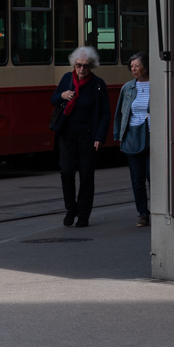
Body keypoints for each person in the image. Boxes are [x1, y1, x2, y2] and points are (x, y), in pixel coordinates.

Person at [51, 46, 109, 228]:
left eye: (85, 65)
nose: (82, 69)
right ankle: (71, 208)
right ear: (73, 65)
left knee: (86, 175)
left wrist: (100, 137)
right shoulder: (66, 79)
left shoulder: (98, 84)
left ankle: (83, 215)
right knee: (66, 171)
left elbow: (105, 113)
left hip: (88, 136)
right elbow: (53, 100)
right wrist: (62, 95)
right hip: (67, 135)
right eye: (78, 65)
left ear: (92, 66)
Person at [112, 52, 151, 227]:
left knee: (152, 176)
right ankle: (143, 213)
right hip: (133, 136)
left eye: (137, 66)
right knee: (137, 179)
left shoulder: (158, 84)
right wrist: (119, 136)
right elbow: (120, 114)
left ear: (146, 67)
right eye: (132, 66)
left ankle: (159, 210)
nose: (134, 69)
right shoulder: (128, 88)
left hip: (153, 135)